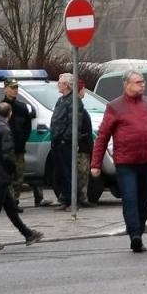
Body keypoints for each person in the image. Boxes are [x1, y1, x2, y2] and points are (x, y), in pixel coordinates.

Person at [90, 70, 147, 253]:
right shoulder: (115, 107)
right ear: (127, 85)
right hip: (126, 163)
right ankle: (135, 235)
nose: (143, 84)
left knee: (145, 200)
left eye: (143, 81)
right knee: (130, 198)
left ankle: (139, 231)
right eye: (138, 82)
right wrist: (96, 164)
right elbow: (102, 136)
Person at [0, 101, 45, 250]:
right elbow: (7, 155)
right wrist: (13, 171)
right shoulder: (4, 129)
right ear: (9, 114)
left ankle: (28, 234)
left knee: (10, 207)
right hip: (1, 173)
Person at [51, 74, 94, 210]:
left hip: (66, 142)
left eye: (60, 83)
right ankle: (65, 199)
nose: (58, 85)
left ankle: (73, 201)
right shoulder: (60, 100)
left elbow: (74, 123)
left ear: (67, 85)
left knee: (68, 172)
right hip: (57, 141)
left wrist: (66, 139)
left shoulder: (74, 101)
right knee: (60, 173)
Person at [1, 78, 38, 205]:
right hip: (4, 149)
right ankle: (9, 202)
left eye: (16, 87)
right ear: (5, 89)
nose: (15, 90)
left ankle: (15, 200)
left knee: (19, 176)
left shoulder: (22, 108)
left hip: (18, 148)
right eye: (12, 87)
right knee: (6, 176)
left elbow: (27, 127)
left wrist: (22, 140)